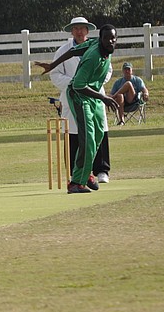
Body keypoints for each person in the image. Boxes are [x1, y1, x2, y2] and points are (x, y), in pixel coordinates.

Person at [36, 25, 119, 194]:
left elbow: (74, 51)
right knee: (88, 138)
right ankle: (75, 182)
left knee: (99, 134)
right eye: (107, 38)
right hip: (79, 97)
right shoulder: (93, 57)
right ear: (101, 39)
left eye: (113, 38)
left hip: (94, 95)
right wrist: (103, 97)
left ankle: (85, 173)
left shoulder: (97, 45)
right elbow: (78, 86)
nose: (110, 41)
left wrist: (52, 65)